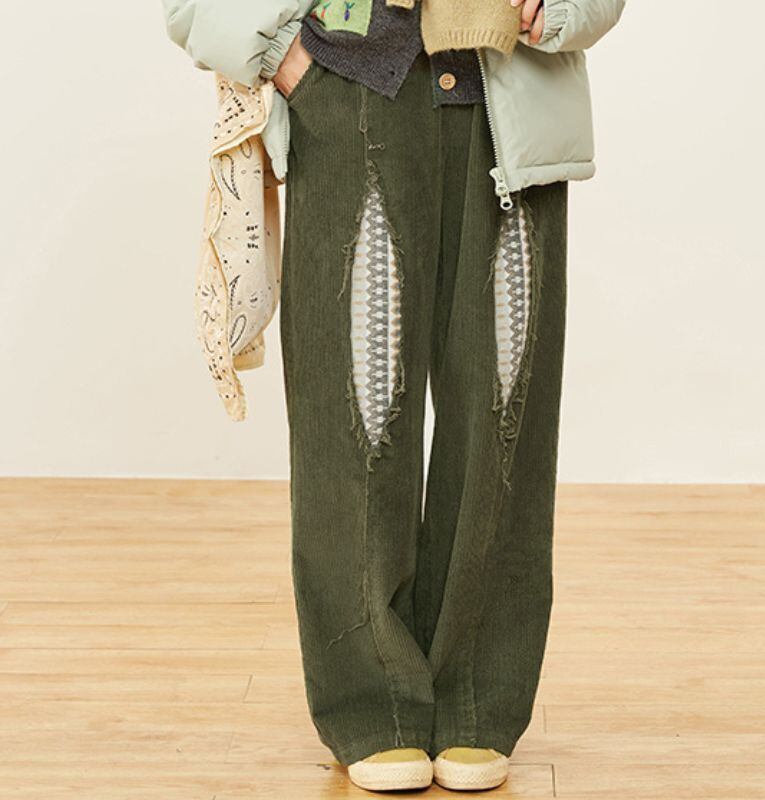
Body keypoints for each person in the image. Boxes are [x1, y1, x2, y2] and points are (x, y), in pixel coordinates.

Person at [162, 0, 625, 791]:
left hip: (508, 106)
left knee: (502, 412)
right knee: (356, 413)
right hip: (348, 97)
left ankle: (478, 698)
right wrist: (285, 57)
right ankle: (372, 704)